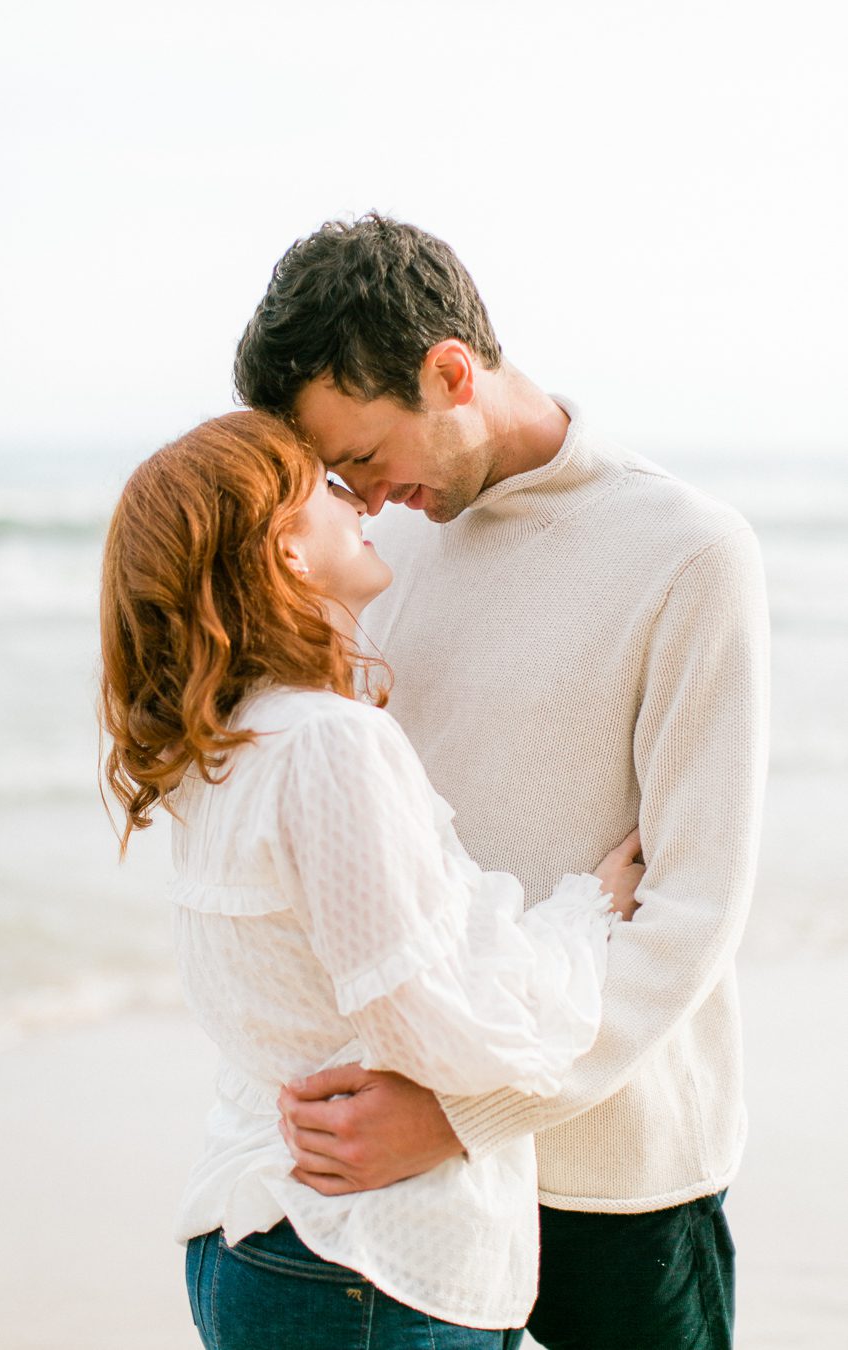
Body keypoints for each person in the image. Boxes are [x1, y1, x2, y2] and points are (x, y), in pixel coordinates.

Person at [234, 214, 771, 1350]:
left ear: (449, 371)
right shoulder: (388, 554)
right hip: (423, 1187)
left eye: (368, 457)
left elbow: (694, 910)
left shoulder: (690, 551)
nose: (363, 499)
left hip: (614, 1181)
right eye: (338, 478)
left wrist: (468, 1116)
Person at [98, 411, 644, 1349]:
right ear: (287, 553)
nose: (359, 500)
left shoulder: (223, 752)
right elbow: (438, 1024)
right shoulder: (329, 744)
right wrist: (586, 919)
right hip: (364, 1262)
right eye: (322, 489)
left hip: (261, 1235)